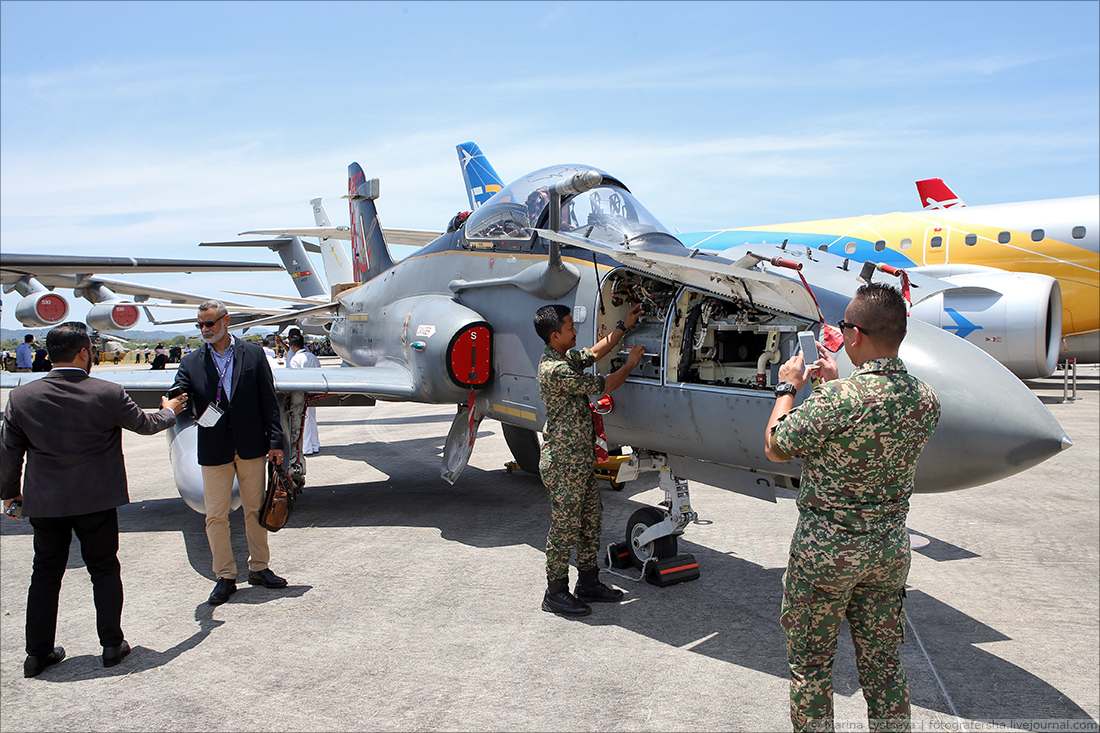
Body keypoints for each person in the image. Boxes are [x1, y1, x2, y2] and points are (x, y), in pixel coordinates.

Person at [764, 282, 941, 732]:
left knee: (811, 668)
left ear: (856, 335)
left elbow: (775, 445)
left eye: (843, 327)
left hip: (828, 554)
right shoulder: (925, 399)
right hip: (887, 551)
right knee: (884, 667)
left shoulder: (837, 401)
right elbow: (873, 415)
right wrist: (834, 383)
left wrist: (789, 386)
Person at [1, 322, 187, 677]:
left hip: (46, 502)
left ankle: (37, 654)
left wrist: (10, 494)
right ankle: (111, 645)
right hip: (96, 500)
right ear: (84, 352)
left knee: (44, 575)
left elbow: (9, 454)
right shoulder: (107, 392)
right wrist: (171, 410)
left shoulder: (22, 396)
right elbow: (147, 425)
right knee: (103, 570)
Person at [173, 300, 288, 606]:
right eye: (200, 325)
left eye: (209, 324)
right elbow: (180, 389)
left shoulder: (252, 354)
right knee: (215, 516)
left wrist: (276, 442)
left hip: (251, 446)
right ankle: (225, 576)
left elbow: (269, 399)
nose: (204, 330)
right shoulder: (191, 361)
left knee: (255, 509)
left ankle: (259, 568)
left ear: (226, 321)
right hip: (214, 447)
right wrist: (173, 400)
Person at [534, 303, 645, 617]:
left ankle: (588, 582)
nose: (575, 332)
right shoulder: (556, 370)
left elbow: (594, 353)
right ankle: (555, 592)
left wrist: (623, 326)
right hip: (563, 464)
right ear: (555, 336)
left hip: (578, 462)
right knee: (564, 529)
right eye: (569, 328)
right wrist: (631, 364)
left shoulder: (564, 356)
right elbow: (606, 385)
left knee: (591, 521)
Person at [285, 332, 321, 455]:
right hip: (313, 391)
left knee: (302, 419)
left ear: (293, 347)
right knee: (311, 418)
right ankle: (315, 445)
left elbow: (293, 378)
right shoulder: (312, 356)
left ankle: (306, 448)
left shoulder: (295, 359)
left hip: (301, 392)